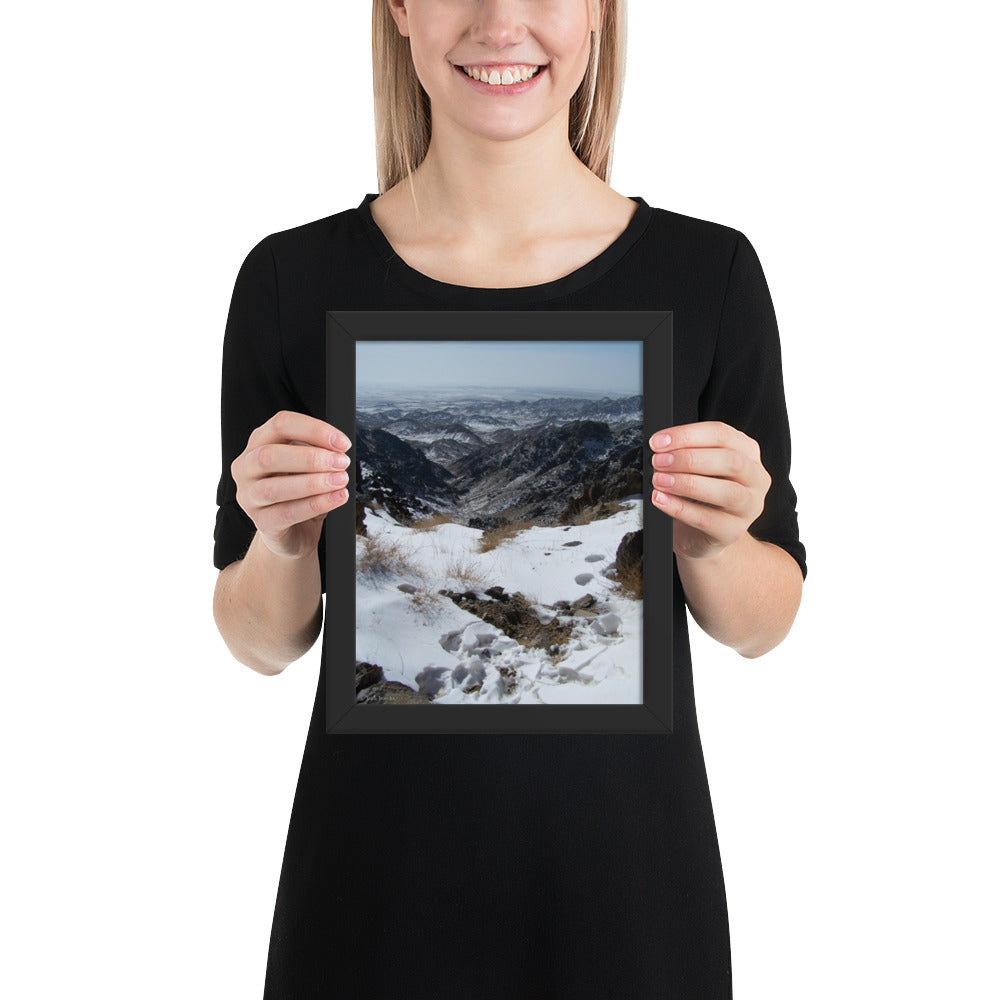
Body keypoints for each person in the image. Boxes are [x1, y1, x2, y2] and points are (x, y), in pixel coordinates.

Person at [212, 1, 807, 996]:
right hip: (371, 908)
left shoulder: (710, 275)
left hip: (630, 908)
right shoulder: (290, 280)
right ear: (400, 10)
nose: (501, 21)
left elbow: (763, 622)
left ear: (599, 15)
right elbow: (260, 640)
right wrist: (281, 543)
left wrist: (715, 541)